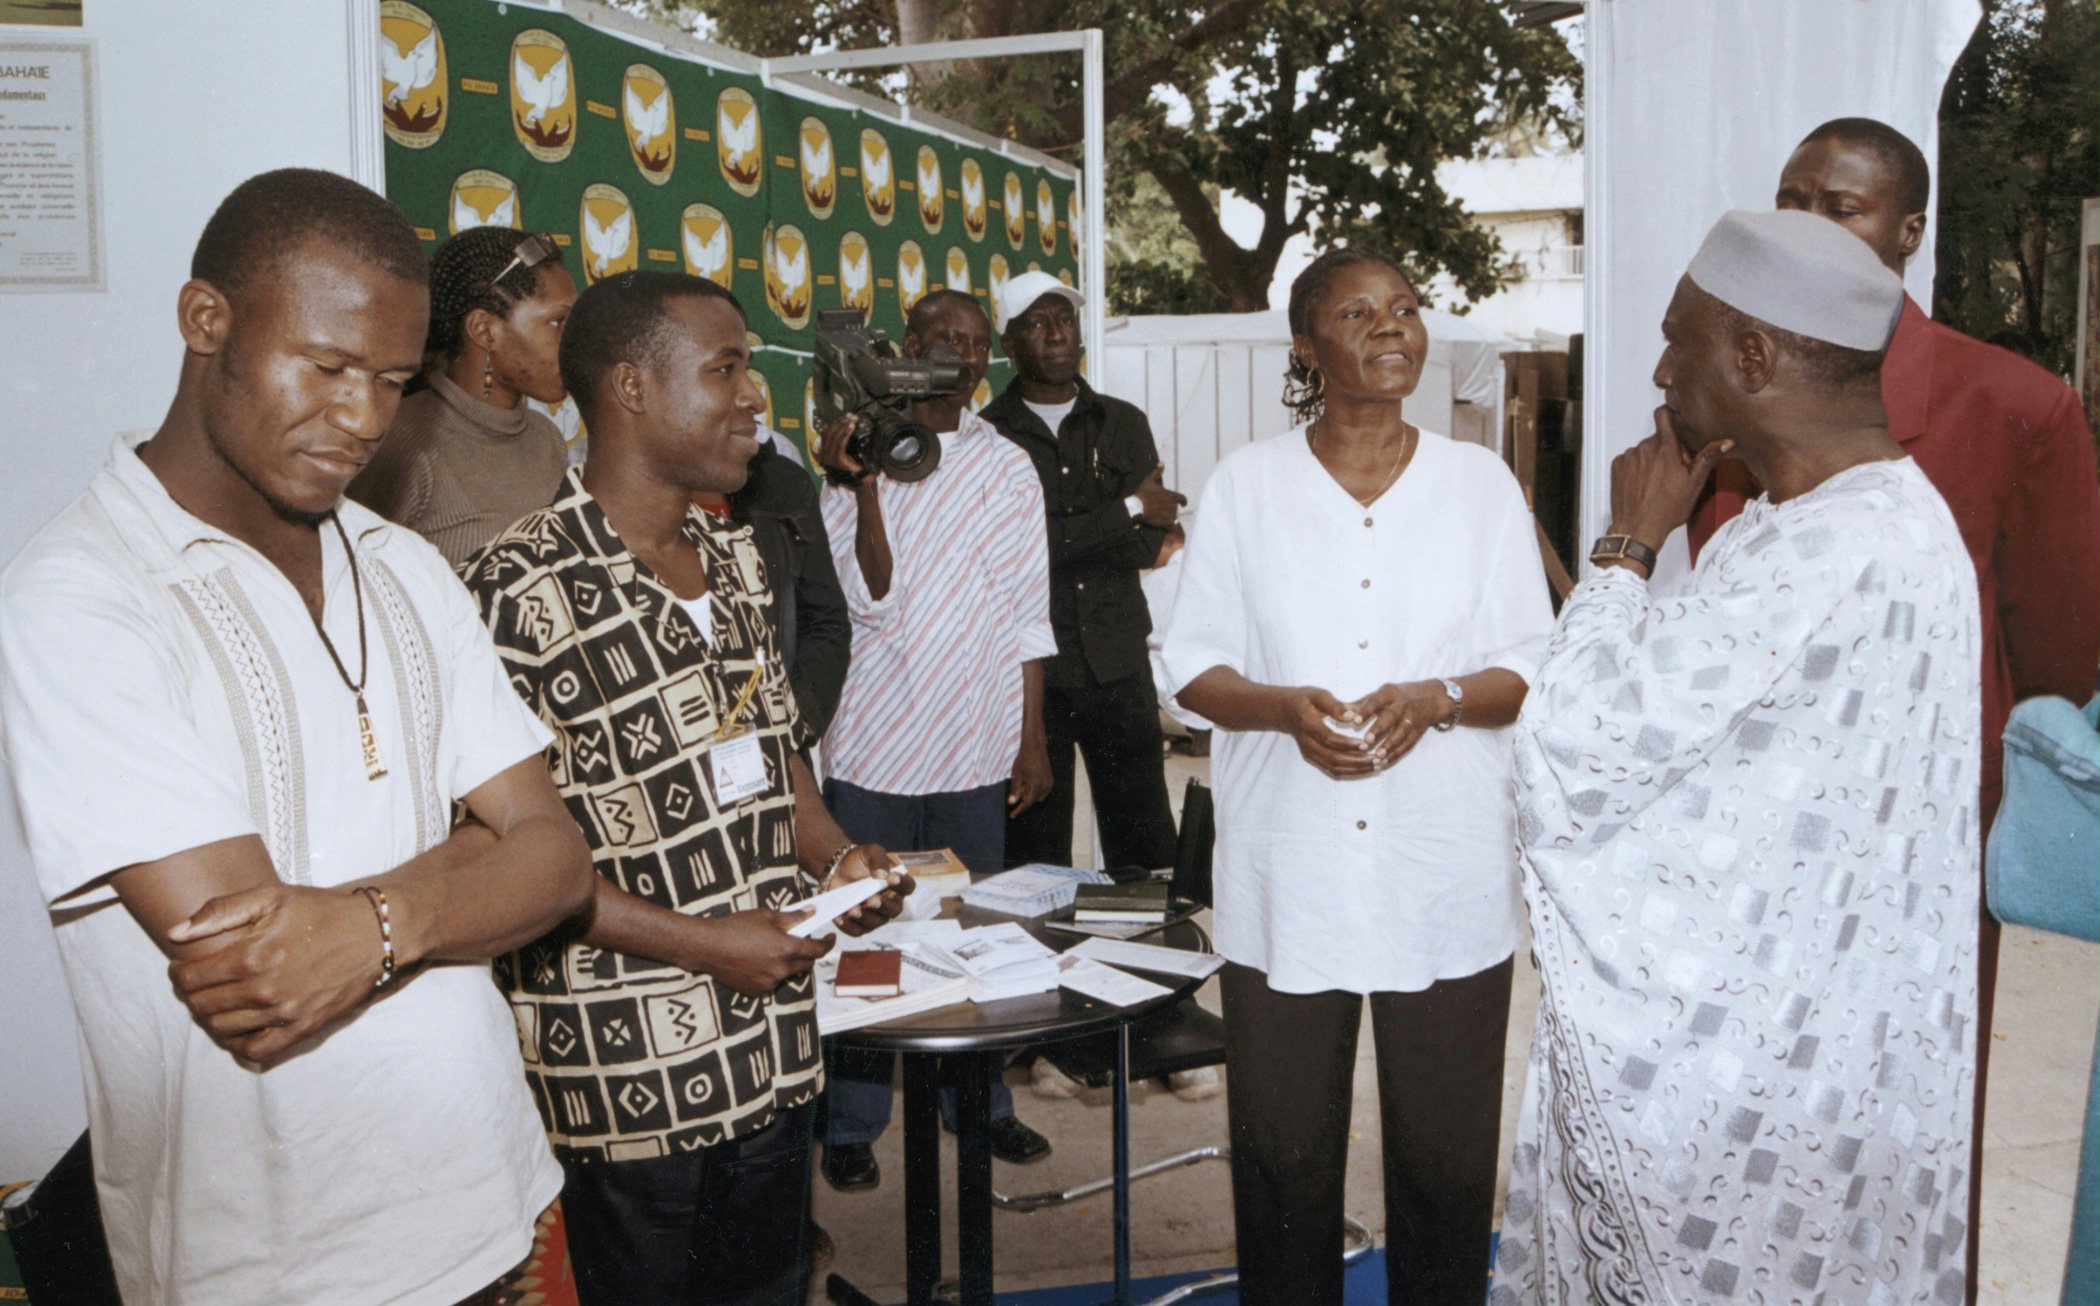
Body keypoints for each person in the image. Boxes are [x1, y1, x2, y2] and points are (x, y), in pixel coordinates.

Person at [0, 168, 595, 1304]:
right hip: (270, 1263)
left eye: (388, 380)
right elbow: (258, 974)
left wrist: (367, 923)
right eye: (324, 369)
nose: (364, 420)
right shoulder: (79, 595)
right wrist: (475, 859)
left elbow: (559, 863)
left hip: (495, 1201)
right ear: (205, 320)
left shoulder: (407, 565)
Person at [1496, 210, 1981, 1303]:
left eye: (1680, 341)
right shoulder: (1821, 520)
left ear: (1754, 357)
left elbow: (1580, 750)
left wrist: (1625, 546)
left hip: (1761, 1091)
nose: (1662, 370)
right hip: (1814, 1068)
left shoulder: (1833, 548)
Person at [1689, 118, 2100, 1294]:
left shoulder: (2014, 405)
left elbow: (2061, 652)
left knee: (1901, 1139)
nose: (1810, 223)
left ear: (1908, 233)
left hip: (1915, 850)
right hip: (1747, 836)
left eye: (1843, 205)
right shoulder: (1736, 383)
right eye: (1791, 197)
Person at [459, 270, 910, 1305]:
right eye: (727, 368)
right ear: (629, 388)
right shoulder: (516, 589)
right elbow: (499, 864)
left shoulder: (739, 558)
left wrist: (835, 853)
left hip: (775, 1048)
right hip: (630, 1080)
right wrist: (711, 945)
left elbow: (775, 750)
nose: (754, 396)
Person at [1161, 247, 1554, 1305]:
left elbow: (1534, 660)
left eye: (1407, 310)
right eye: (1359, 313)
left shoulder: (1478, 485)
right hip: (1290, 872)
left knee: (1445, 1162)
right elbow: (1191, 663)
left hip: (1444, 866)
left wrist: (1441, 697)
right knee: (1285, 1163)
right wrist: (1283, 709)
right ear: (1306, 345)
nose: (1393, 329)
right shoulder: (1248, 483)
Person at [812, 288, 1058, 1190]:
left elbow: (1028, 611)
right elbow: (867, 597)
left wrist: (1029, 740)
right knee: (867, 931)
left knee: (971, 926)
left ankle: (980, 1106)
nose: (956, 352)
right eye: (940, 337)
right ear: (905, 348)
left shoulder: (1007, 466)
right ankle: (853, 1122)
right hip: (876, 736)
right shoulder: (852, 457)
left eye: (973, 343)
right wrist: (866, 481)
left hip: (978, 732)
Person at [983, 272, 1183, 872]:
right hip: (1029, 677)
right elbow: (1007, 556)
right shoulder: (988, 436)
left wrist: (1068, 536)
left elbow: (1152, 546)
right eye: (1037, 324)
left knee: (1143, 846)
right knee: (1035, 850)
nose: (1056, 335)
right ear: (1010, 343)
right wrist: (1123, 509)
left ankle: (1149, 960)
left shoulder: (1123, 421)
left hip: (1118, 661)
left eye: (1065, 320)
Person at [349, 224, 577, 567]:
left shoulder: (548, 439)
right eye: (558, 322)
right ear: (484, 331)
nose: (575, 341)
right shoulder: (405, 445)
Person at [693, 438, 852, 741]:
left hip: (777, 750)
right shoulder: (618, 498)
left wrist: (798, 721)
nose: (755, 400)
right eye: (725, 385)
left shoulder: (781, 481)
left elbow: (826, 619)